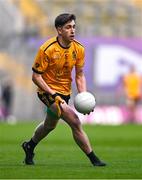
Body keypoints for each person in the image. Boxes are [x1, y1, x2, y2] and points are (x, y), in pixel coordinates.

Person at [22, 13, 106, 167]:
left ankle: (29, 145)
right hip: (46, 91)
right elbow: (36, 77)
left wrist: (83, 96)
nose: (72, 30)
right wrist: (52, 93)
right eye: (68, 27)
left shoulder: (79, 49)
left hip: (64, 92)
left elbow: (80, 75)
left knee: (50, 125)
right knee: (74, 120)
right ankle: (94, 159)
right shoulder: (47, 49)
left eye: (74, 27)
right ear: (59, 30)